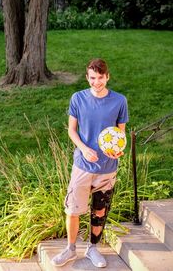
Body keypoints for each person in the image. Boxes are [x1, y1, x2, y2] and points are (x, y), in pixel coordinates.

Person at [51, 58, 129, 268]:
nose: (96, 82)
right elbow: (71, 130)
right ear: (87, 77)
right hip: (83, 166)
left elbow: (120, 133)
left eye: (100, 78)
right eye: (92, 78)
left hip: (107, 168)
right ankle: (70, 249)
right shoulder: (78, 99)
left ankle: (93, 249)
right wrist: (84, 149)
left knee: (100, 211)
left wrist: (118, 149)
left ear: (107, 77)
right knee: (73, 210)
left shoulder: (119, 101)